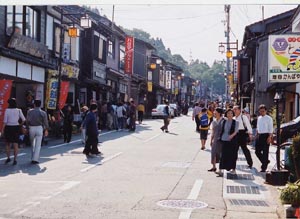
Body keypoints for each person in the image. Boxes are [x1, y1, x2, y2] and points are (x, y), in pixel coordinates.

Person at [2, 98, 26, 165]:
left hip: (8, 128)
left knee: (8, 144)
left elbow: (5, 121)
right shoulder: (19, 110)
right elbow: (24, 119)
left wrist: (2, 130)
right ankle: (15, 159)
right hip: (16, 128)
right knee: (16, 144)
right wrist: (19, 124)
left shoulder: (7, 110)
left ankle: (8, 158)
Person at [26, 99, 49, 164]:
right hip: (39, 128)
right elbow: (45, 122)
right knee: (38, 145)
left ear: (34, 104)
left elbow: (27, 120)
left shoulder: (29, 111)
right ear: (40, 105)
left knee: (32, 143)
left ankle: (32, 157)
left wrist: (27, 128)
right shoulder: (43, 112)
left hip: (31, 128)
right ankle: (35, 159)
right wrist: (46, 129)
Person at [217, 108, 239, 175]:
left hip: (232, 141)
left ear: (233, 114)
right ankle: (220, 170)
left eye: (231, 113)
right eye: (228, 113)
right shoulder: (223, 122)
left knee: (232, 155)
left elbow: (236, 131)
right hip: (224, 139)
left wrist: (231, 136)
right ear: (226, 114)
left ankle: (233, 169)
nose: (230, 114)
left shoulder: (236, 122)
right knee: (223, 155)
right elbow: (221, 130)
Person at [256, 104, 273, 172]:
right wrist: (256, 135)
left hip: (266, 135)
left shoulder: (269, 118)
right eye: (260, 111)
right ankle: (265, 161)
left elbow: (271, 128)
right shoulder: (259, 118)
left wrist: (269, 137)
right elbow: (258, 127)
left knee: (265, 152)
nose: (261, 112)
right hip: (260, 135)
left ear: (266, 111)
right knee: (257, 151)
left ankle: (264, 167)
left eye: (263, 111)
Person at [208, 107, 224, 172]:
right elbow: (213, 131)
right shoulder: (214, 121)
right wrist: (211, 139)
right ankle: (214, 167)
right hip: (215, 139)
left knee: (220, 154)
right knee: (213, 153)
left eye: (215, 112)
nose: (214, 113)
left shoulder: (223, 120)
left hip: (221, 139)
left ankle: (220, 169)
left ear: (219, 113)